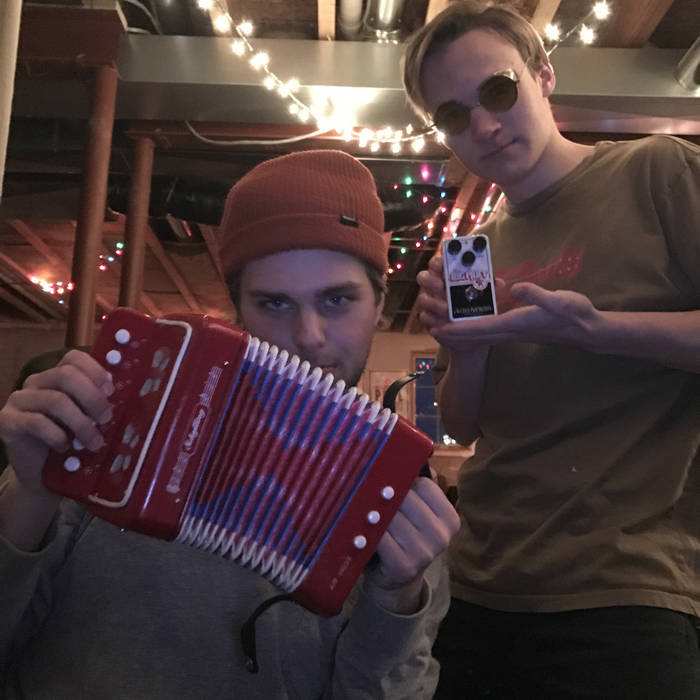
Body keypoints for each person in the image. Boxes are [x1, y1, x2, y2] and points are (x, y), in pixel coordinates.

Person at [0, 149, 460, 699]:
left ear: (379, 303)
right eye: (275, 304)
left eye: (338, 299)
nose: (309, 336)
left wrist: (398, 600)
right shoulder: (114, 420)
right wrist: (29, 494)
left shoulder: (399, 495)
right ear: (238, 307)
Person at [402, 2, 700, 699]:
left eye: (498, 90)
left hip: (627, 587)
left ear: (543, 76)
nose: (483, 125)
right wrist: (467, 347)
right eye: (453, 114)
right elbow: (463, 425)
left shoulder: (657, 172)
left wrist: (600, 331)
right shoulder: (474, 252)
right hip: (476, 582)